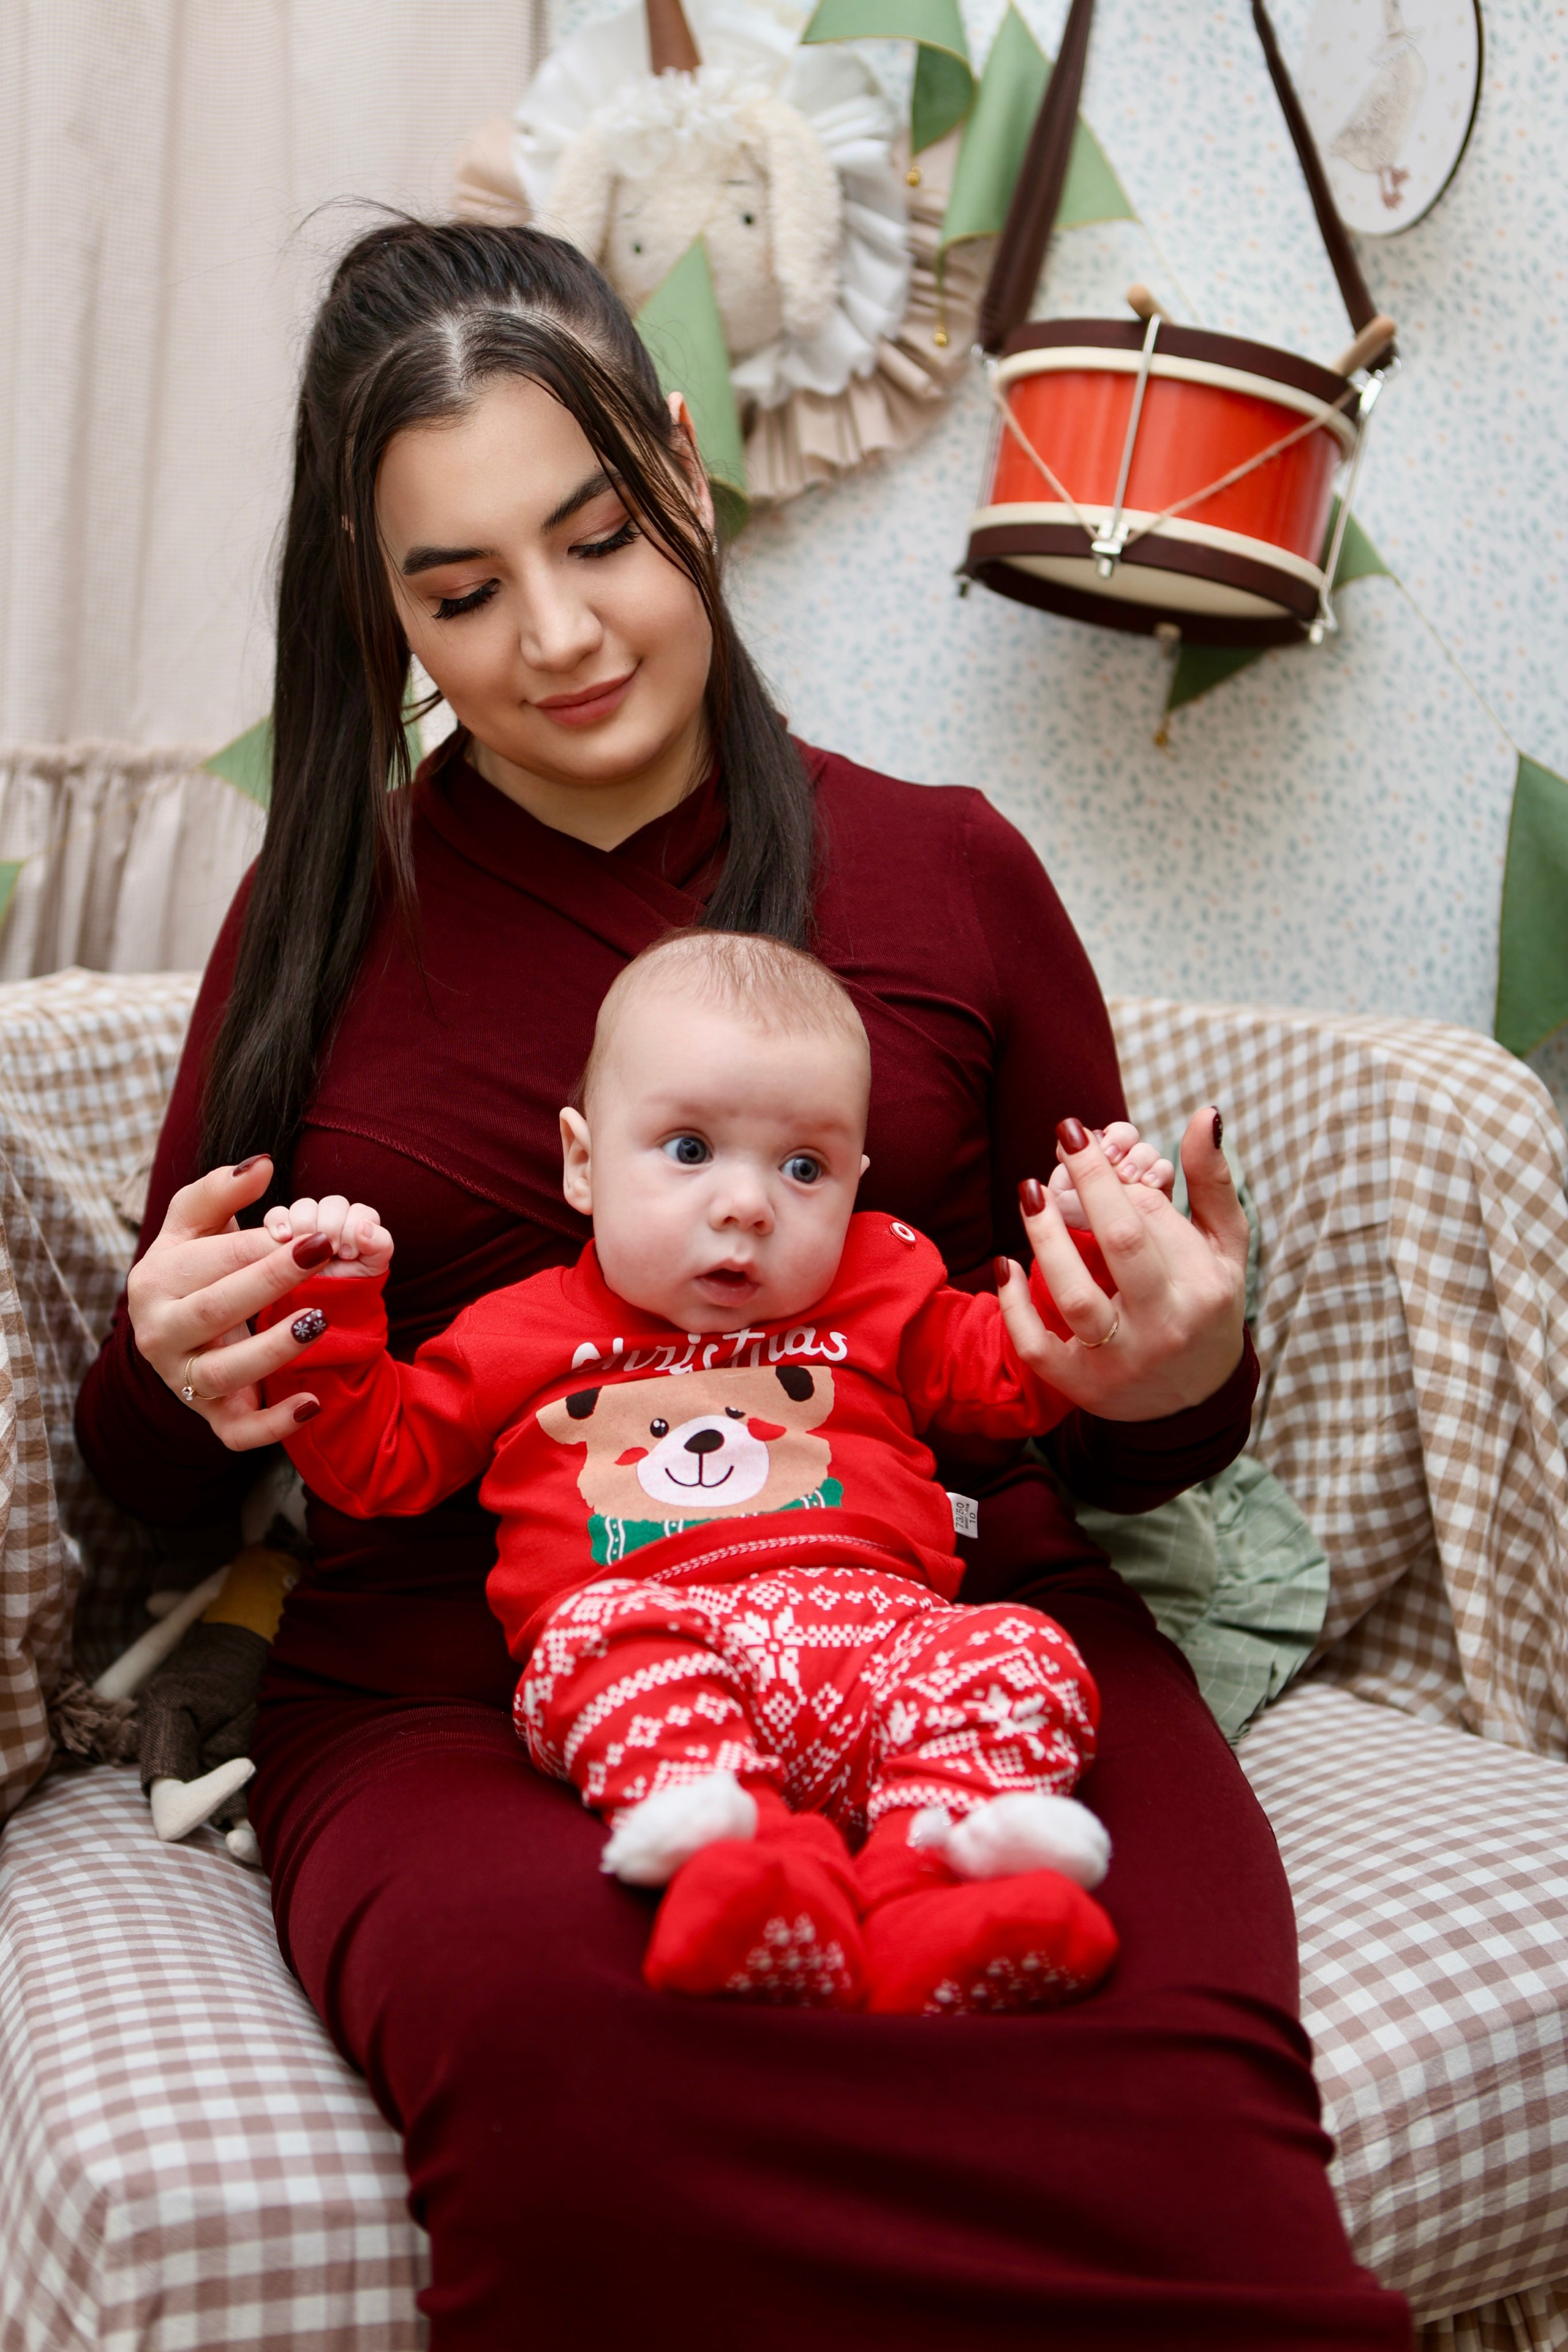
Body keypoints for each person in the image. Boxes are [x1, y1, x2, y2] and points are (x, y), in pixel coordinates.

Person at [75, 219, 1411, 2348]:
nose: (557, 634)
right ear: (379, 607)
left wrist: (1184, 1352)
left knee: (1147, 2103)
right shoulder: (322, 916)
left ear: (686, 467)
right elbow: (144, 1466)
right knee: (591, 2085)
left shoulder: (953, 868)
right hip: (473, 1683)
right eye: (457, 589)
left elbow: (1137, 1411)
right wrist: (175, 1370)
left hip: (957, 1623)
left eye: (598, 534)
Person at [257, 929, 1170, 2016]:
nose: (747, 1205)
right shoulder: (522, 1331)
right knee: (588, 1645)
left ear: (856, 1185)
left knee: (1023, 1648)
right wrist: (333, 1308)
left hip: (885, 1643)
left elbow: (1019, 1371)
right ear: (584, 1163)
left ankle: (943, 1882)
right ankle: (746, 1874)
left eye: (803, 1168)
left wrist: (1099, 1244)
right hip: (662, 1651)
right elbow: (378, 1461)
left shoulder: (881, 1289)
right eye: (689, 1150)